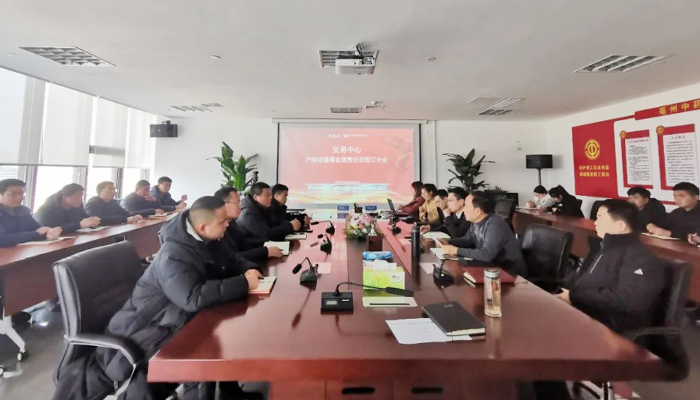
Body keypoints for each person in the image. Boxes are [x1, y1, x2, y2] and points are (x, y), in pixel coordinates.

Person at [52, 196, 261, 400]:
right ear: (203, 227)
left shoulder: (208, 239)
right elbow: (192, 298)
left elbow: (230, 260)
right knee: (202, 350)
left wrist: (249, 270)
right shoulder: (174, 253)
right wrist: (243, 283)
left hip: (172, 317)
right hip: (145, 331)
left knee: (221, 329)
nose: (228, 224)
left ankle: (230, 392)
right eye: (223, 221)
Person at [555, 199, 664, 333]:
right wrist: (564, 291)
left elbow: (631, 300)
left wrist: (575, 296)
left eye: (600, 218)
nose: (595, 223)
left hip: (610, 327)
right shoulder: (605, 248)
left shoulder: (639, 256)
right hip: (585, 312)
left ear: (620, 225)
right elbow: (585, 280)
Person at [441, 191, 527, 277]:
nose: (464, 209)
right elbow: (467, 240)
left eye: (466, 206)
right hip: (491, 268)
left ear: (478, 211)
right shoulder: (476, 222)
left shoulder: (494, 224)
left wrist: (456, 250)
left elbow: (487, 254)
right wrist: (447, 242)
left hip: (510, 273)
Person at [214, 186, 284, 262]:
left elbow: (244, 243)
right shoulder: (216, 228)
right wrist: (265, 252)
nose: (240, 205)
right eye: (237, 202)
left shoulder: (232, 222)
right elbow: (231, 257)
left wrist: (267, 243)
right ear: (224, 204)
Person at [0, 179, 62, 247]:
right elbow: (2, 239)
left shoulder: (23, 210)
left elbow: (37, 229)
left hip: (20, 250)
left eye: (21, 193)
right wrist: (36, 234)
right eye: (13, 194)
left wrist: (48, 234)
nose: (19, 197)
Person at [237, 182, 302, 242]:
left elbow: (276, 222)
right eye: (267, 196)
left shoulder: (264, 208)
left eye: (270, 195)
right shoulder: (249, 213)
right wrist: (290, 227)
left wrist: (291, 223)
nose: (270, 198)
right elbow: (266, 234)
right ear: (256, 197)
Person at [34, 184, 101, 234]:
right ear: (64, 198)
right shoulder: (46, 210)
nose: (80, 199)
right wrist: (79, 225)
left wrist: (92, 221)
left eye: (81, 196)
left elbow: (84, 218)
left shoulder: (77, 205)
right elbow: (51, 230)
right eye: (77, 197)